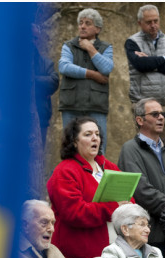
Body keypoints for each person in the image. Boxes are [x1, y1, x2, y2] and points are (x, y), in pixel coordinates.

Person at [46, 117, 131, 258]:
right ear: (74, 141)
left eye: (97, 134)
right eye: (87, 134)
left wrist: (129, 208)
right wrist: (113, 207)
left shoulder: (108, 166)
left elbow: (128, 197)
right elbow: (75, 212)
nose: (94, 138)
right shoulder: (65, 171)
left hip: (114, 256)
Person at [117, 98, 165, 258]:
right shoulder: (130, 149)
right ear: (140, 120)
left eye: (162, 114)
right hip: (149, 233)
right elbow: (141, 190)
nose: (161, 117)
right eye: (155, 114)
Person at [125, 4, 165, 144]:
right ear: (140, 23)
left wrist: (151, 63)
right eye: (148, 22)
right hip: (144, 105)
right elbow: (140, 65)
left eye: (155, 21)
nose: (153, 25)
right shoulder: (132, 42)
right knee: (145, 147)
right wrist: (164, 59)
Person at [58, 8, 113, 153]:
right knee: (70, 147)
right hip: (71, 104)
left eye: (88, 23)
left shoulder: (106, 47)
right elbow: (64, 67)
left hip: (96, 105)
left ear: (97, 29)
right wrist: (93, 74)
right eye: (81, 23)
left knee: (98, 149)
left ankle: (96, 175)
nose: (82, 26)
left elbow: (106, 68)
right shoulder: (69, 45)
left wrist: (91, 49)